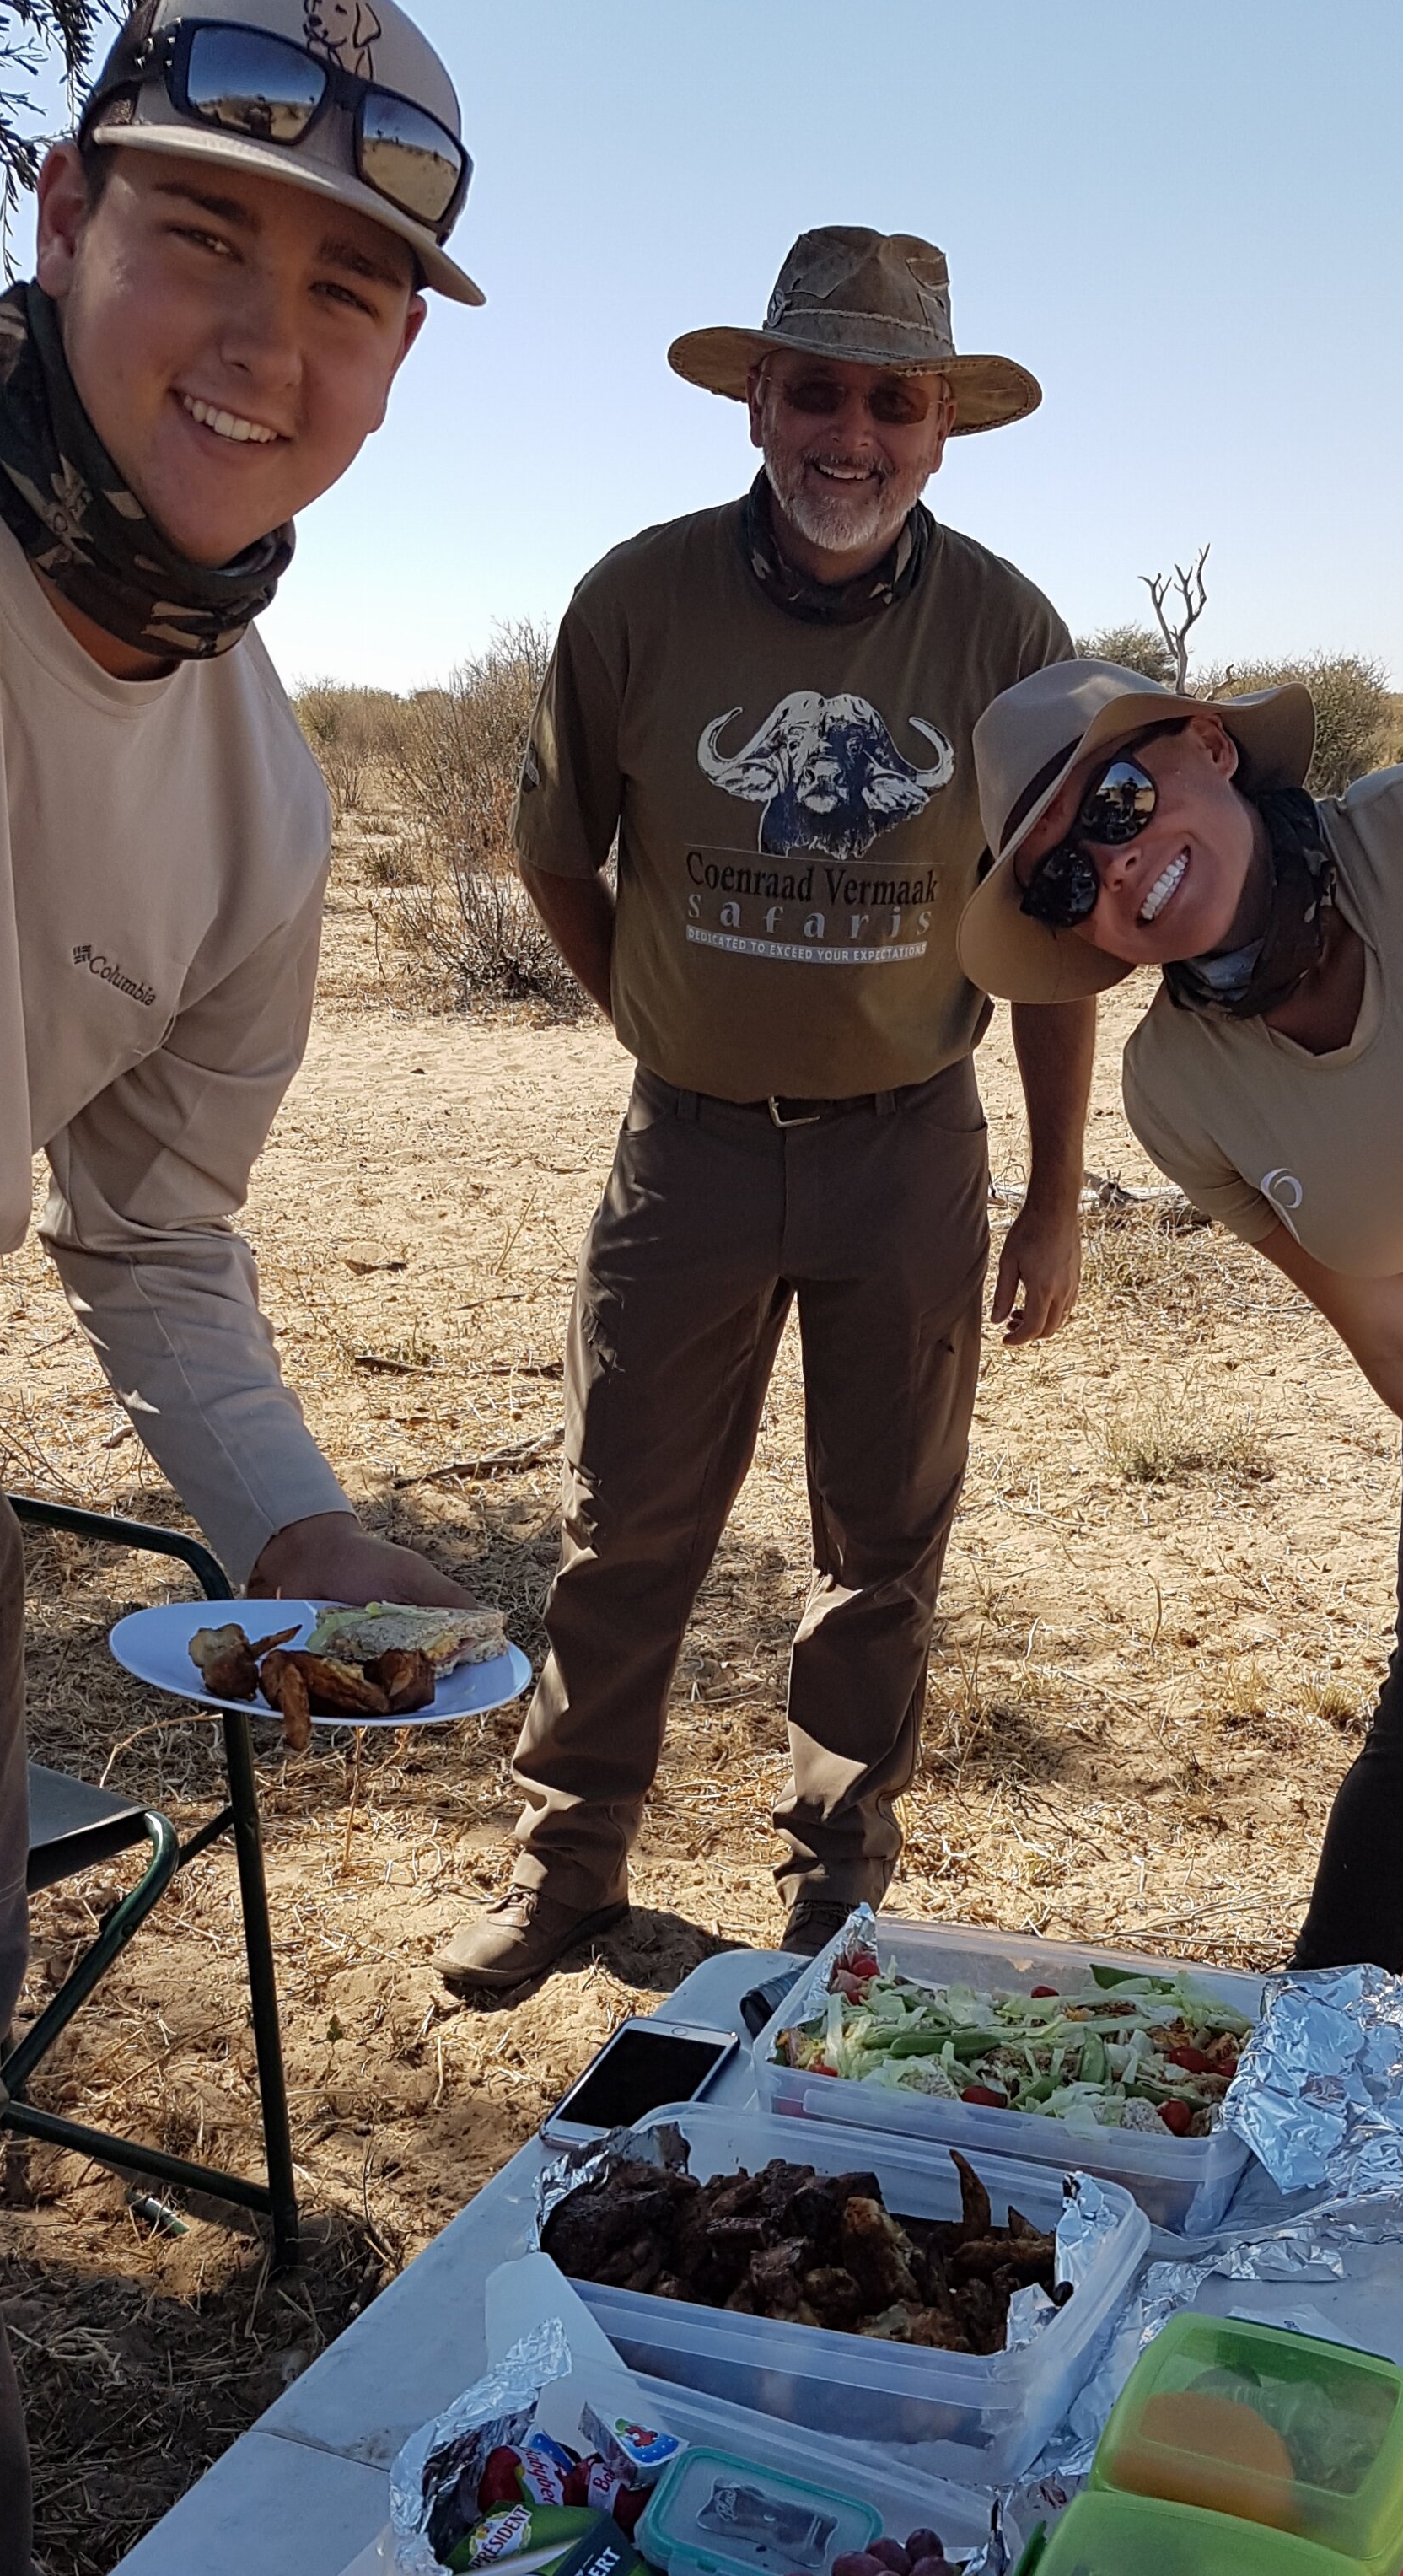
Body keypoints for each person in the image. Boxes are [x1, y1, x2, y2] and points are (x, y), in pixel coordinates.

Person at [0, 0, 481, 2576]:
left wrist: (296, 1525)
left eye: (355, 292)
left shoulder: (258, 791)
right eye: (201, 234)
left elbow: (149, 1239)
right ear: (52, 220)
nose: (268, 342)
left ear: (401, 364)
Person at [438, 226, 1093, 2002]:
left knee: (881, 1546)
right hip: (693, 1151)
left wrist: (1054, 1196)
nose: (851, 434)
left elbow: (1053, 931)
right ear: (757, 402)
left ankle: (833, 1890)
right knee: (622, 1519)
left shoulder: (1009, 633)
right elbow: (561, 856)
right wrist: (657, 1015)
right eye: (818, 390)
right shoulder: (636, 601)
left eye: (895, 400)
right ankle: (566, 1868)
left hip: (910, 1148)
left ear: (942, 429)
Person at [959, 658, 1403, 2116]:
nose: (1118, 863)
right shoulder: (1183, 1091)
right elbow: (1399, 1331)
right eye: (1061, 876)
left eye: (1122, 798)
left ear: (1208, 744)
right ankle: (1304, 2067)